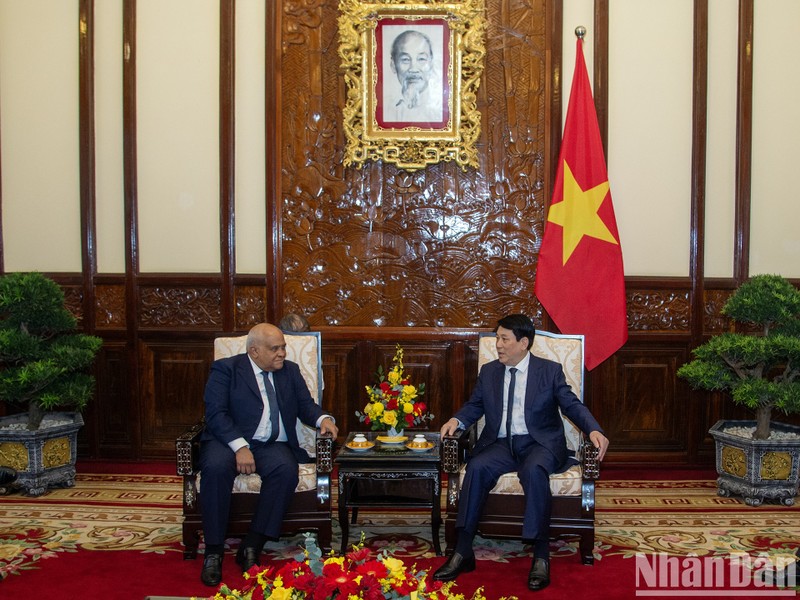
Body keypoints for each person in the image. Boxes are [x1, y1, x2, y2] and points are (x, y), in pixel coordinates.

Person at [433, 314, 609, 592]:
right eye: (497, 338)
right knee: (476, 468)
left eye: (504, 339)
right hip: (502, 443)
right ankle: (463, 552)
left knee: (534, 469)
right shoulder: (490, 371)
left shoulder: (549, 371)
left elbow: (571, 405)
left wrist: (594, 429)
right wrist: (458, 420)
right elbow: (474, 405)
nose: (498, 345)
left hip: (540, 443)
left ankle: (540, 555)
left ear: (523, 342)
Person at [198, 323, 338, 587]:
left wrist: (323, 419)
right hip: (227, 441)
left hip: (269, 444)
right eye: (275, 348)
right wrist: (239, 446)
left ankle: (252, 545)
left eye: (284, 347)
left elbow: (306, 405)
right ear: (254, 351)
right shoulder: (226, 370)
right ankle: (213, 551)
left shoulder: (290, 372)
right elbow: (215, 414)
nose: (282, 353)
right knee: (215, 469)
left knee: (286, 470)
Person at [385, 29, 442, 123]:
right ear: (393, 65)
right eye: (405, 59)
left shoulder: (442, 107)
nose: (413, 69)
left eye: (421, 59)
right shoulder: (384, 107)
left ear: (431, 64)